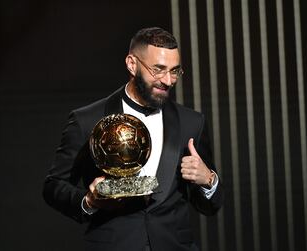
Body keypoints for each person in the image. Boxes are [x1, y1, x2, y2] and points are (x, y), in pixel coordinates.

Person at [43, 27, 223, 251]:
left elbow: (211, 206)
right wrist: (89, 201)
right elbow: (53, 186)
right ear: (131, 64)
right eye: (158, 70)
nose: (168, 80)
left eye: (175, 71)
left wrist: (209, 181)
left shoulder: (192, 123)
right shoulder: (87, 120)